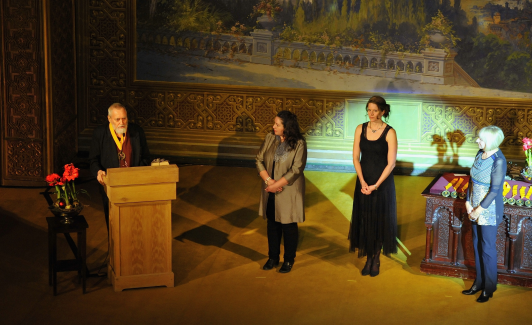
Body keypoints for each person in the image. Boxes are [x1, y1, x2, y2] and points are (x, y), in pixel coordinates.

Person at [349, 96, 398, 277]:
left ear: (383, 111)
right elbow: (356, 157)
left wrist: (376, 185)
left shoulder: (390, 132)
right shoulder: (360, 129)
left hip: (382, 184)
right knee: (365, 219)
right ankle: (368, 257)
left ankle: (375, 258)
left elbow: (391, 163)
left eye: (375, 110)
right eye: (369, 110)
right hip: (364, 181)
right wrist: (362, 181)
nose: (371, 114)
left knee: (378, 221)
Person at [256, 110, 307, 273]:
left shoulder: (299, 143)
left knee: (288, 225)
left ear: (287, 127)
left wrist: (277, 184)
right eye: (274, 123)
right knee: (272, 224)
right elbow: (259, 160)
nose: (273, 127)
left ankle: (289, 259)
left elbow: (297, 169)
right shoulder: (270, 138)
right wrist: (269, 182)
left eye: (277, 124)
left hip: (288, 190)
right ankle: (273, 257)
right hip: (271, 188)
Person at [89, 103, 150, 230]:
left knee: (135, 222)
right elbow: (93, 160)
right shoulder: (100, 134)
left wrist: (138, 175)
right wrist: (98, 171)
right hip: (111, 186)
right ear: (109, 119)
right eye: (117, 119)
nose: (121, 122)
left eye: (124, 118)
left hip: (133, 185)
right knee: (113, 225)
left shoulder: (137, 131)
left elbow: (145, 157)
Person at [463, 125, 506, 303]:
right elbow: (471, 180)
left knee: (487, 248)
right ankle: (478, 282)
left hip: (488, 209)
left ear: (491, 141)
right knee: (476, 245)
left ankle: (489, 287)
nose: (477, 140)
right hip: (473, 207)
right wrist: (467, 202)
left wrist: (478, 210)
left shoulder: (499, 160)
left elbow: (495, 190)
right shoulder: (479, 154)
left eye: (480, 138)